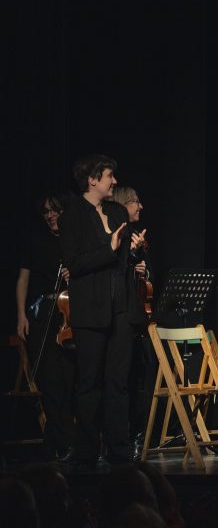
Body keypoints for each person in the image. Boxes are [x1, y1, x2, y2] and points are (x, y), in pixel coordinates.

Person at [59, 155, 148, 466]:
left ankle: (118, 448)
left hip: (121, 309)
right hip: (90, 310)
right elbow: (75, 263)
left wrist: (130, 251)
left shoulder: (117, 210)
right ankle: (85, 450)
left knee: (118, 381)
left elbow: (121, 260)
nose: (114, 181)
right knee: (89, 382)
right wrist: (107, 250)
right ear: (92, 180)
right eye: (109, 176)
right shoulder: (71, 216)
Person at [15, 192, 76, 461]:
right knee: (49, 380)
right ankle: (62, 443)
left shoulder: (74, 240)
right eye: (46, 212)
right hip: (42, 314)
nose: (51, 216)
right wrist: (21, 316)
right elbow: (23, 279)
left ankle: (63, 441)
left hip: (69, 315)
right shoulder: (35, 242)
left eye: (55, 210)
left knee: (69, 380)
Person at [108, 185, 155, 460]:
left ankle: (138, 432)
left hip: (138, 316)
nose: (141, 207)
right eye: (136, 202)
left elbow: (147, 275)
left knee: (139, 377)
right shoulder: (117, 237)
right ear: (124, 205)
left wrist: (141, 266)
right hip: (122, 314)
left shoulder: (137, 237)